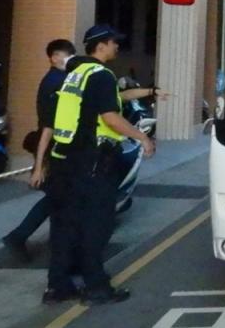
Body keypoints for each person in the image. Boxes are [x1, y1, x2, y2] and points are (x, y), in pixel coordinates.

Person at [44, 25, 155, 305]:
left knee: (64, 226)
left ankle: (58, 287)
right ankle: (96, 287)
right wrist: (142, 137)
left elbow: (106, 102)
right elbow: (110, 117)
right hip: (93, 161)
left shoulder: (75, 74)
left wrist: (150, 91)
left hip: (64, 159)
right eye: (114, 42)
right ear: (102, 46)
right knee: (97, 225)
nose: (117, 47)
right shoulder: (102, 75)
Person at [2, 39, 76, 262]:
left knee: (58, 198)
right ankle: (20, 236)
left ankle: (30, 238)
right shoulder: (55, 83)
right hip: (53, 149)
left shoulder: (59, 80)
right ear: (53, 57)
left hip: (56, 148)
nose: (69, 60)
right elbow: (48, 126)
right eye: (66, 56)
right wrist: (40, 165)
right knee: (57, 197)